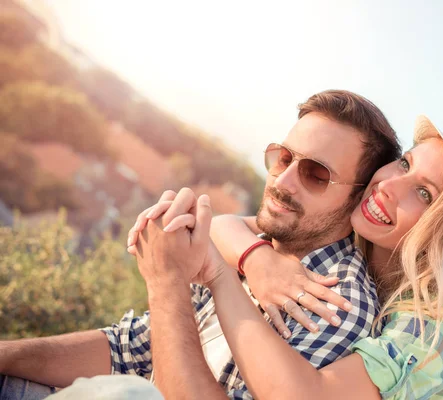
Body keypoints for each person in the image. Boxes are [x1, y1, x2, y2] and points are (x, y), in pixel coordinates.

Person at [0, 90, 400, 399]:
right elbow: (132, 350)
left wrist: (165, 282)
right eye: (283, 158)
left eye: (315, 173)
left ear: (357, 199)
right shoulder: (258, 245)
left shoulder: (336, 304)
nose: (283, 181)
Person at [123, 114, 443, 399]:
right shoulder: (363, 232)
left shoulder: (441, 320)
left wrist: (215, 277)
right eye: (404, 163)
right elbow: (231, 226)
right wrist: (258, 261)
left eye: (424, 193)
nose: (390, 185)